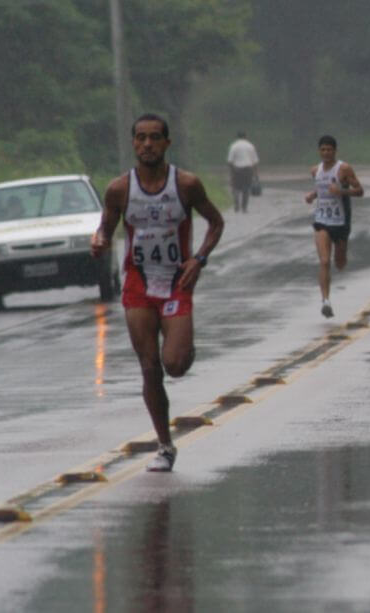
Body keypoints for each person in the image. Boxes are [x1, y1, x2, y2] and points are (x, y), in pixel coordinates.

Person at [91, 113, 224, 472]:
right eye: (140, 138)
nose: (147, 144)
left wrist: (198, 259)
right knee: (150, 368)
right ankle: (165, 445)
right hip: (138, 284)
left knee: (175, 365)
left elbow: (216, 222)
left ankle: (185, 345)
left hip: (176, 281)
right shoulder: (119, 189)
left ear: (166, 143)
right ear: (133, 143)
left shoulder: (186, 185)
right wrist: (100, 241)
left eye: (154, 138)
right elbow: (106, 228)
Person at [304, 135, 363, 318]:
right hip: (322, 220)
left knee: (340, 262)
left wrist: (342, 191)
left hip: (341, 221)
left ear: (335, 151)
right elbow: (321, 189)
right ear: (319, 151)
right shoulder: (315, 170)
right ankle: (326, 301)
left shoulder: (343, 169)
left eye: (329, 149)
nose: (326, 153)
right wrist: (313, 195)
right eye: (323, 150)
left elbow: (360, 191)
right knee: (324, 261)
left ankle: (343, 252)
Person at [226, 131, 259, 213]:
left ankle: (236, 204)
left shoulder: (234, 146)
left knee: (236, 188)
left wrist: (231, 172)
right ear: (246, 136)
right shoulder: (250, 146)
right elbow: (255, 161)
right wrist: (255, 174)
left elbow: (230, 161)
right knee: (246, 189)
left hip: (237, 169)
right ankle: (244, 207)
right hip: (248, 169)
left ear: (237, 137)